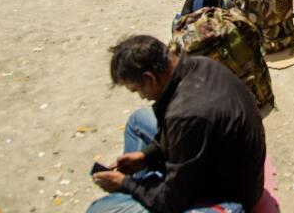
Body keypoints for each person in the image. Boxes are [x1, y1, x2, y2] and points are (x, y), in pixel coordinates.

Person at [89, 35, 266, 213]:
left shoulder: (185, 115)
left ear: (149, 78)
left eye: (137, 90)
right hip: (211, 159)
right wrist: (146, 156)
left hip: (229, 197)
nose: (142, 96)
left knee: (99, 210)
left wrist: (125, 184)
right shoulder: (201, 64)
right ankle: (144, 189)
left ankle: (140, 191)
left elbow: (171, 203)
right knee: (138, 120)